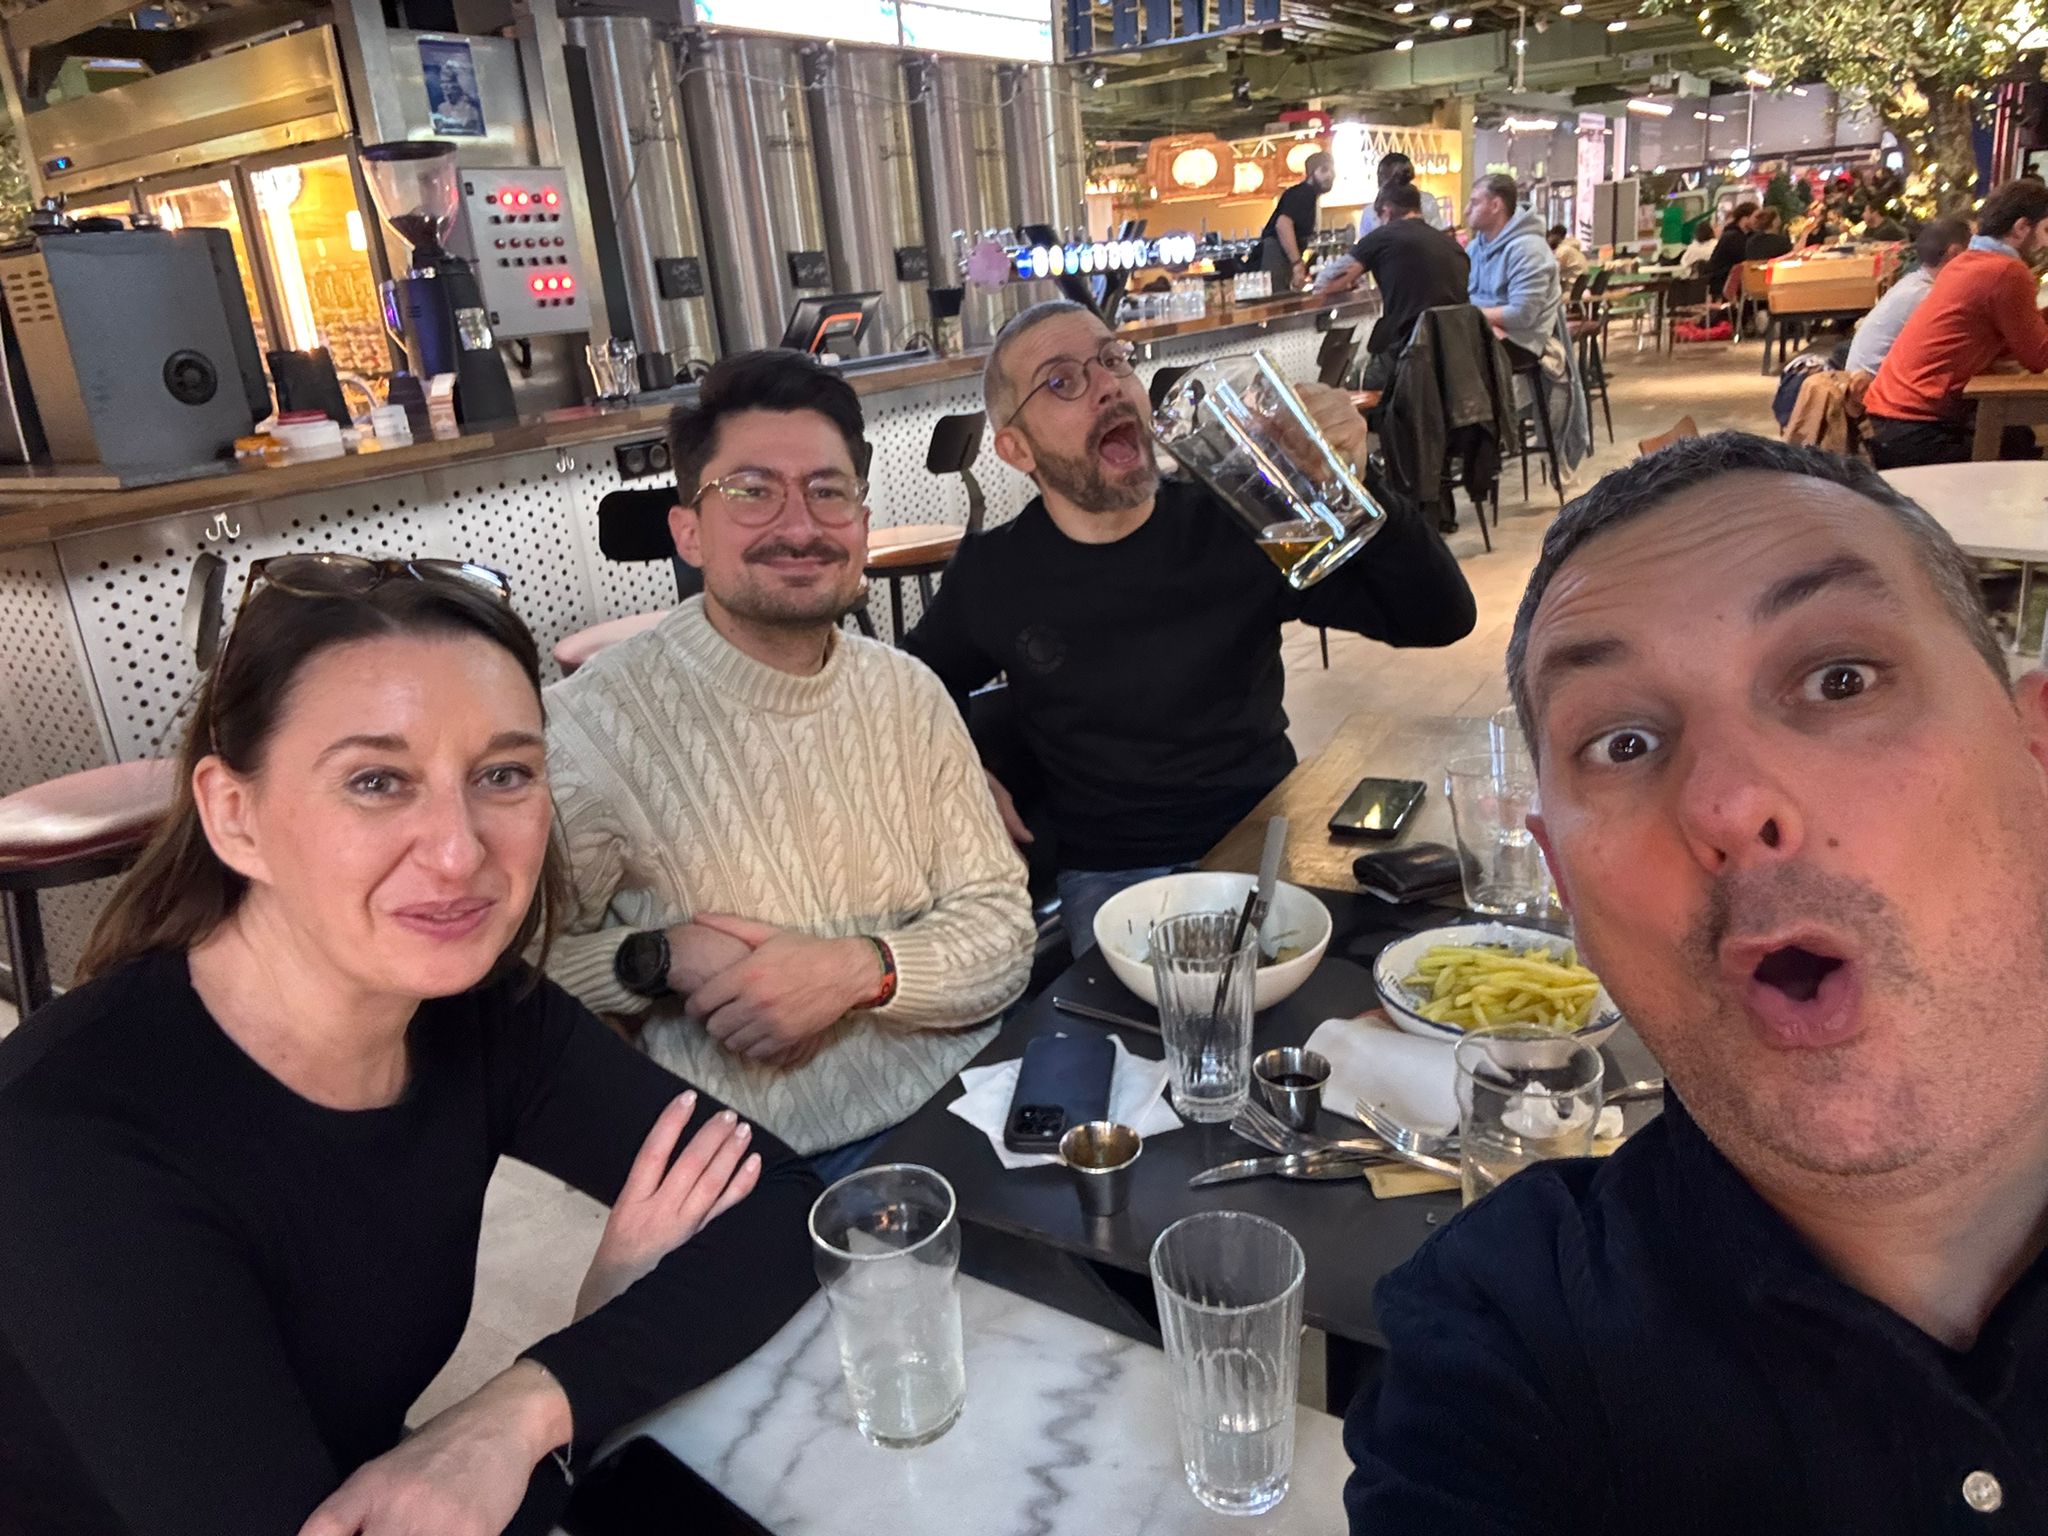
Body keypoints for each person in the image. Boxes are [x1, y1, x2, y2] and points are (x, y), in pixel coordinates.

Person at [0, 558, 820, 1536]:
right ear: (234, 814)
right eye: (377, 781)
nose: (460, 850)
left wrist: (522, 1407)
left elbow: (781, 1207)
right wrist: (582, 1379)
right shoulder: (67, 1148)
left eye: (502, 774)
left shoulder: (474, 1010)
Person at [1345, 431, 2048, 1534]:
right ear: (1563, 886)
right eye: (1624, 743)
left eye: (1837, 679)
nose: (1724, 802)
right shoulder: (1504, 1343)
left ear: (2035, 749)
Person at [546, 350, 1034, 1173]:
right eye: (752, 491)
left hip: (971, 1111)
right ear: (688, 532)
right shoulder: (590, 731)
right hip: (764, 1165)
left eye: (828, 490)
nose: (800, 525)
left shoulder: (908, 694)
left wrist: (860, 972)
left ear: (862, 521)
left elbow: (1001, 933)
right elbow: (510, 974)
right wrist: (659, 956)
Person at [903, 299, 1476, 953]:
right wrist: (958, 771)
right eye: (1063, 381)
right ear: (1015, 447)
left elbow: (1437, 618)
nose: (1108, 385)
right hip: (1114, 872)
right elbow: (910, 686)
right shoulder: (997, 573)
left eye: (1114, 360)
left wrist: (1354, 474)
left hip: (1266, 836)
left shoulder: (1231, 517)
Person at [1864, 178, 2048, 467]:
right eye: (2046, 230)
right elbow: (2039, 357)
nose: (2045, 242)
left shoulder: (1966, 262)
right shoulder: (2007, 272)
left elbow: (2009, 338)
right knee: (2024, 450)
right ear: (2022, 227)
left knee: (2019, 437)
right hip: (1919, 428)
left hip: (1888, 419)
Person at [1313, 180, 1472, 396]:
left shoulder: (1382, 237)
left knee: (1345, 385)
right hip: (1454, 361)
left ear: (1386, 211)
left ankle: (1377, 429)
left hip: (1404, 354)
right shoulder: (1453, 246)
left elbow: (1324, 284)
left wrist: (1347, 282)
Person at [1843, 216, 1971, 377]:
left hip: (1866, 380)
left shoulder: (1913, 282)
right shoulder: (1926, 295)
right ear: (1955, 253)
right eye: (1974, 250)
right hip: (1872, 389)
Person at [1464, 173, 1563, 369]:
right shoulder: (1475, 247)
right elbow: (1462, 297)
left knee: (1443, 363)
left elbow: (1522, 315)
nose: (1467, 211)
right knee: (1426, 350)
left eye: (1474, 203)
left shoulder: (1528, 249)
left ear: (1495, 206)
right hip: (1485, 333)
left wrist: (1470, 315)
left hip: (1521, 343)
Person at [1259, 151, 1334, 293]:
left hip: (1279, 258)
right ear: (1311, 174)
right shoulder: (1303, 193)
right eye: (1324, 170)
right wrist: (1297, 263)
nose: (1330, 175)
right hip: (1275, 258)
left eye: (1332, 170)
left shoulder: (1308, 195)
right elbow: (1283, 224)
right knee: (1278, 305)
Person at [1352, 151, 1447, 239]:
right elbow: (1439, 237)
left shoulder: (1427, 202)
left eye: (1382, 175)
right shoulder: (1428, 200)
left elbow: (1364, 251)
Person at [1704, 201, 1758, 301]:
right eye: (1755, 217)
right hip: (1722, 284)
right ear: (1745, 218)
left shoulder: (1743, 236)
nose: (1758, 221)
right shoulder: (1732, 237)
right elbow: (1746, 259)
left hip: (1728, 283)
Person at [1547, 223, 1589, 292]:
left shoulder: (1563, 250)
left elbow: (1553, 269)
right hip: (1578, 287)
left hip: (1571, 287)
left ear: (1555, 235)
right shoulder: (1572, 249)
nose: (1548, 241)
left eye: (1549, 237)